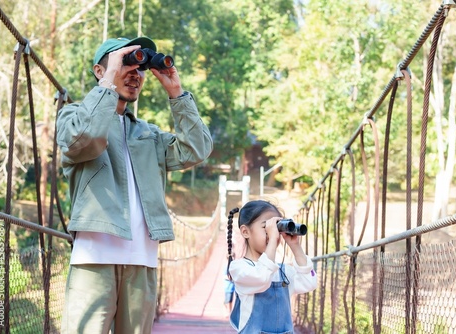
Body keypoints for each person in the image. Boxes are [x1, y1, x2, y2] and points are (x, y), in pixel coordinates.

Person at [56, 36, 213, 334]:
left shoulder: (149, 134)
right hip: (94, 258)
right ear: (99, 70)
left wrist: (176, 92)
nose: (135, 73)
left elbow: (198, 149)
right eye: (126, 62)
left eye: (140, 67)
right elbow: (85, 139)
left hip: (143, 261)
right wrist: (108, 83)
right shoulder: (73, 115)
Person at [226, 200, 318, 333]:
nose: (273, 233)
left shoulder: (283, 271)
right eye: (266, 228)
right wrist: (273, 240)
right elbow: (262, 278)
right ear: (245, 232)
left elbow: (309, 282)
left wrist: (295, 246)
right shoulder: (239, 268)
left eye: (276, 228)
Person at [223, 253, 236, 317]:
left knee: (230, 300)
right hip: (227, 287)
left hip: (232, 287)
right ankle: (227, 311)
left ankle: (230, 312)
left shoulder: (233, 267)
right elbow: (225, 276)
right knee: (226, 301)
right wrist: (231, 278)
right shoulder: (226, 267)